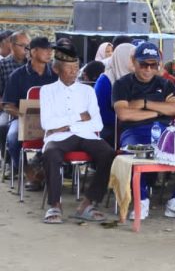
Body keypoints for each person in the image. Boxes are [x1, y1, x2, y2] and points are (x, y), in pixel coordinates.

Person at [113, 42, 175, 220]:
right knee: (135, 155)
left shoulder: (165, 84)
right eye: (144, 64)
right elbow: (124, 114)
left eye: (153, 65)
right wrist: (160, 110)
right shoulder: (122, 84)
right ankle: (141, 200)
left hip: (165, 132)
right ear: (134, 61)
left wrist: (144, 104)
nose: (148, 69)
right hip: (134, 131)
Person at [39, 44, 113, 224]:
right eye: (69, 67)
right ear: (56, 69)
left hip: (86, 135)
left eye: (76, 67)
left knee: (108, 153)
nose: (74, 72)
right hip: (58, 138)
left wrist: (65, 125)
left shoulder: (87, 91)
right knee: (51, 153)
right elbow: (47, 124)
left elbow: (97, 123)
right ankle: (55, 205)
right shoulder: (47, 90)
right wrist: (79, 117)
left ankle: (87, 204)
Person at [3, 36, 57, 176]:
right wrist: (24, 116)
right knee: (13, 137)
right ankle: (26, 170)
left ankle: (41, 165)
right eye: (45, 49)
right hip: (22, 119)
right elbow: (8, 106)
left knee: (65, 136)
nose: (49, 52)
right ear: (33, 51)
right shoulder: (17, 75)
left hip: (51, 120)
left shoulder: (55, 76)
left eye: (50, 50)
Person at [93, 43, 135, 148]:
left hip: (130, 125)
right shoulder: (105, 81)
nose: (136, 62)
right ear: (123, 59)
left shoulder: (136, 77)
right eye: (132, 59)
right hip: (110, 129)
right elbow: (101, 113)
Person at [0, 31, 29, 98]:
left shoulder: (32, 64)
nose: (26, 49)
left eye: (28, 46)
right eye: (22, 45)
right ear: (12, 45)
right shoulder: (2, 65)